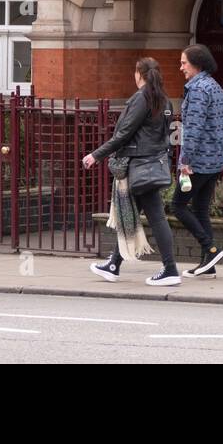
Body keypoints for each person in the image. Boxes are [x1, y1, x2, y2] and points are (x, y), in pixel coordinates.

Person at [82, 58, 181, 287]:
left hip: (139, 167)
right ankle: (114, 264)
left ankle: (170, 269)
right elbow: (165, 135)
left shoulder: (142, 98)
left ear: (139, 74)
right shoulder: (164, 100)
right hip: (153, 164)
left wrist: (96, 155)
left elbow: (124, 133)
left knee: (153, 216)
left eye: (134, 72)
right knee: (130, 215)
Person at [172, 44, 223, 276]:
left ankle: (211, 249)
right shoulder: (215, 86)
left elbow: (193, 129)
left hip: (198, 161)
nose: (181, 67)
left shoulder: (197, 90)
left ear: (197, 63)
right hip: (215, 159)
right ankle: (209, 265)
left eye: (184, 62)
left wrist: (185, 161)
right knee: (201, 208)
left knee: (178, 205)